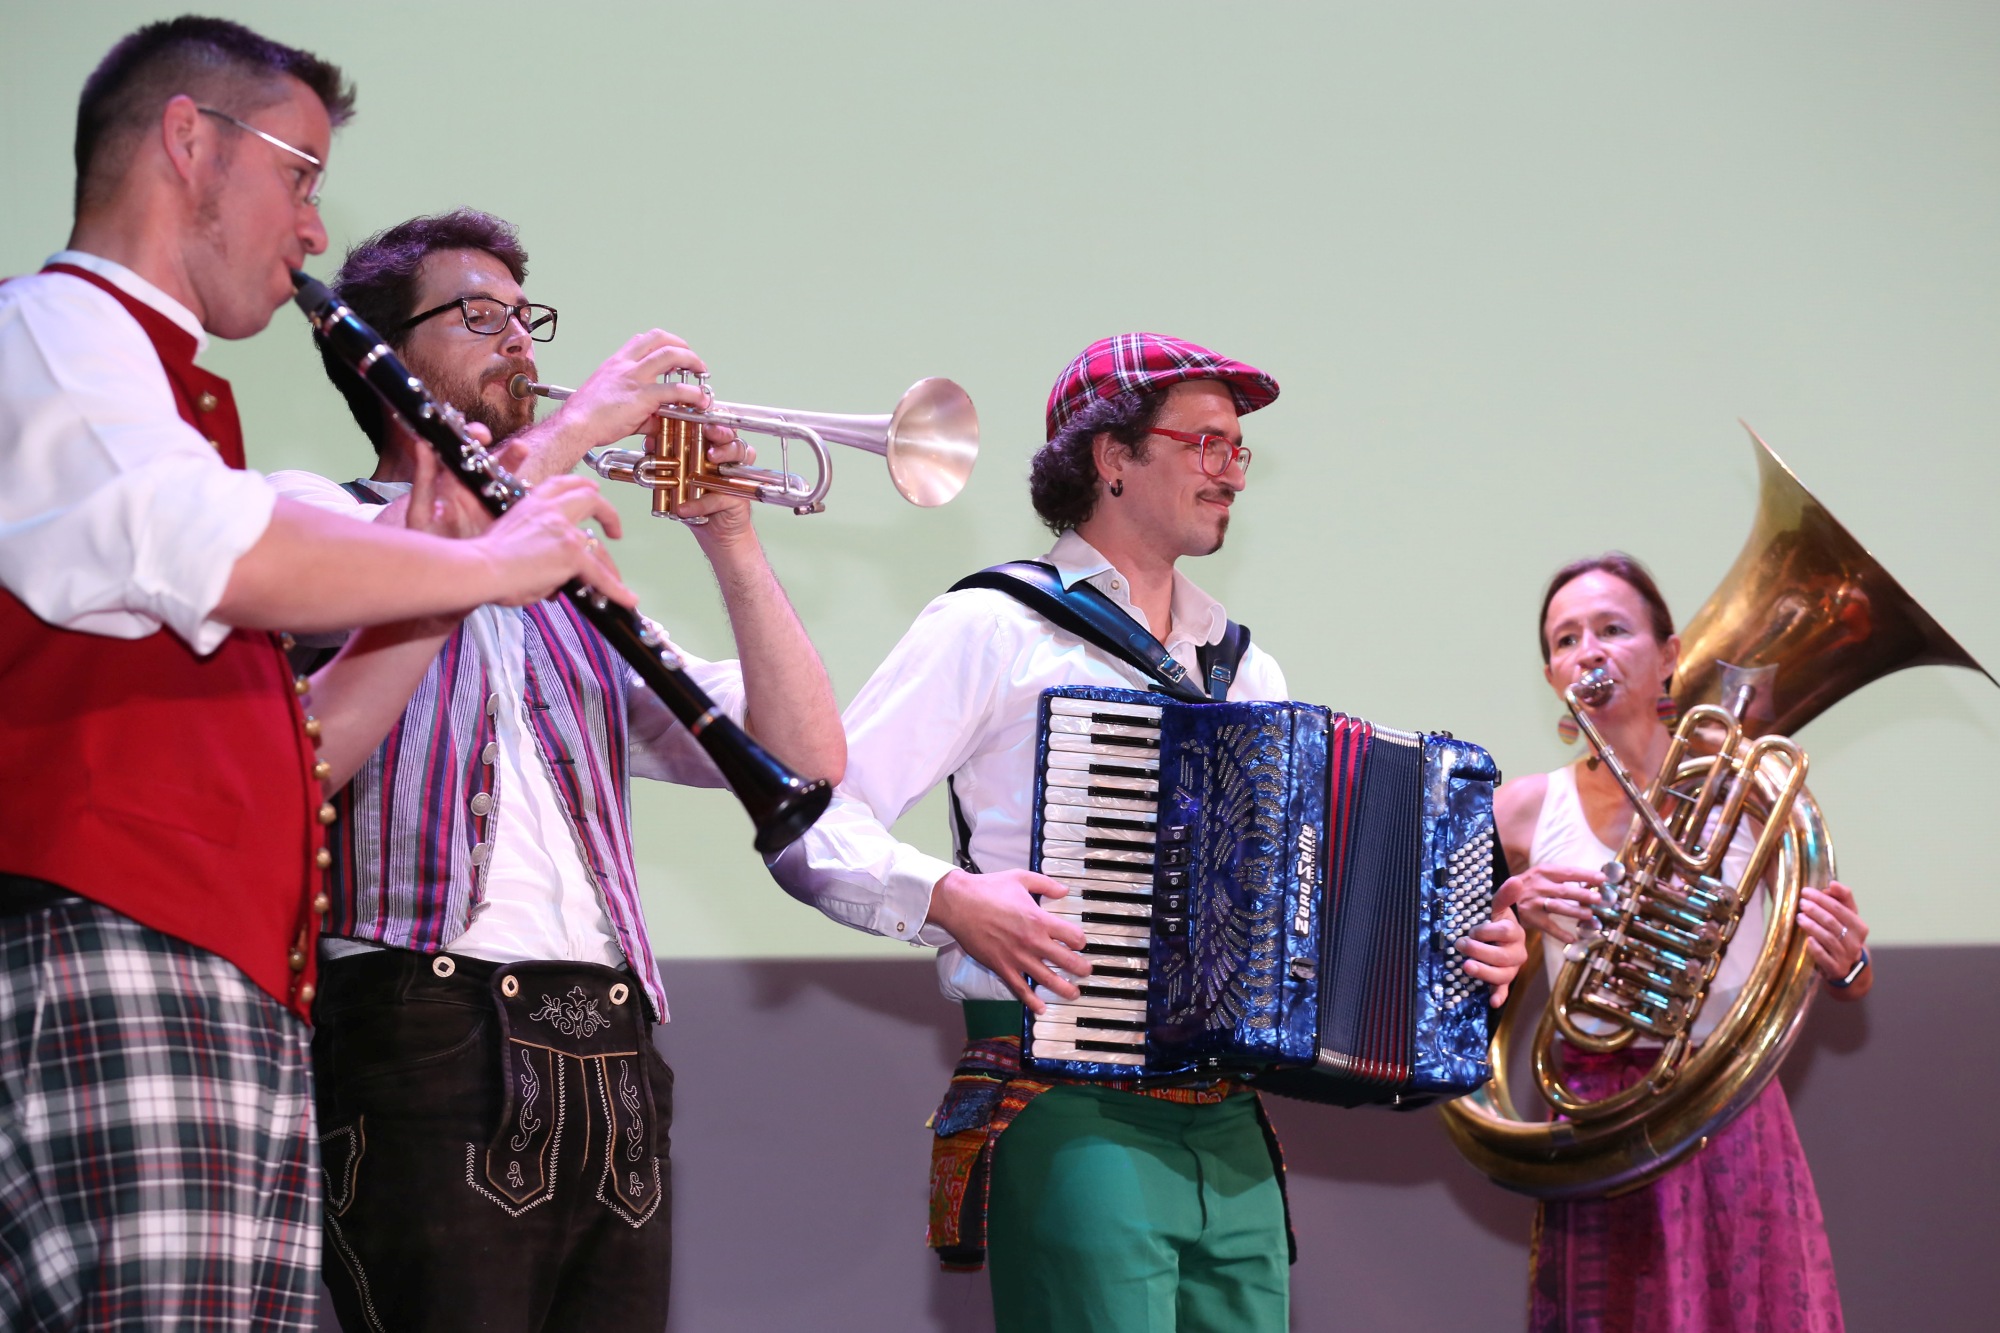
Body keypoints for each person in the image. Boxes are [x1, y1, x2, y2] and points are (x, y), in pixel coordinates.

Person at [0, 19, 632, 1331]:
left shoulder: (175, 405)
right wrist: (500, 551)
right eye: (299, 172)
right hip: (125, 944)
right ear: (189, 140)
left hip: (225, 974)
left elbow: (303, 756)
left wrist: (466, 541)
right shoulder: (60, 328)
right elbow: (209, 546)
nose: (310, 223)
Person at [768, 333, 1528, 1333]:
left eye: (1236, 448)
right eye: (1203, 442)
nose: (1229, 470)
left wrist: (1456, 957)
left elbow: (1311, 926)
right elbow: (809, 817)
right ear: (1109, 458)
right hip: (1066, 1098)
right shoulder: (992, 627)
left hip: (1231, 1129)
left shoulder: (1247, 675)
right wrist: (947, 899)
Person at [268, 207, 846, 1333]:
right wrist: (572, 436)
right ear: (378, 356)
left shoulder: (571, 584)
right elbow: (411, 584)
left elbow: (808, 756)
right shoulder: (314, 515)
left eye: (525, 318)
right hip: (423, 1023)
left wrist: (729, 536)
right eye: (478, 317)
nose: (521, 344)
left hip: (613, 1046)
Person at [1495, 552, 1866, 1333]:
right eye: (1566, 639)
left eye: (1612, 628)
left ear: (1668, 656)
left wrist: (1849, 962)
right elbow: (1448, 972)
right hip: (1600, 1116)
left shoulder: (1750, 794)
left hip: (1727, 1102)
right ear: (1552, 673)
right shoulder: (1521, 810)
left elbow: (1846, 968)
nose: (1587, 650)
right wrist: (1512, 909)